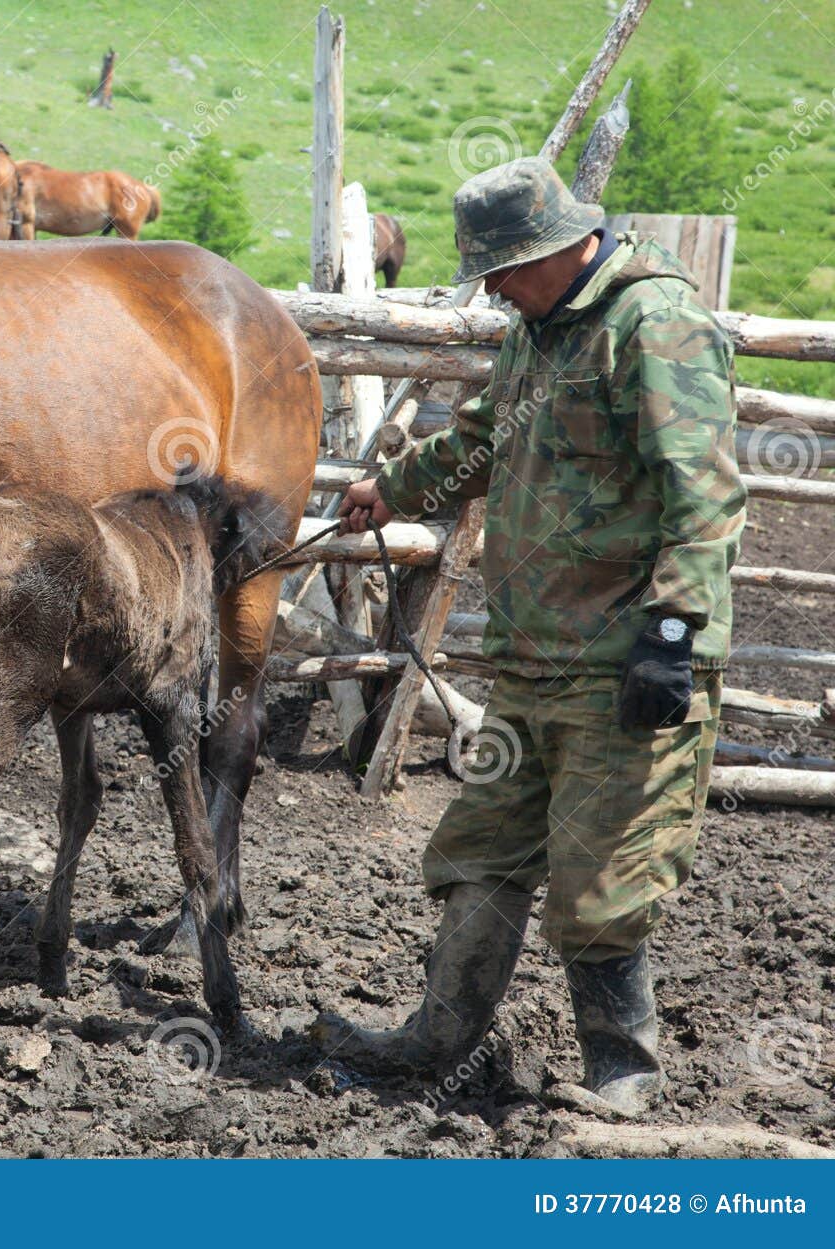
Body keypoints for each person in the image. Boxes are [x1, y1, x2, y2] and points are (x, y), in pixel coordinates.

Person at [311, 156, 747, 1119]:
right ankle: (436, 1041)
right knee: (482, 851)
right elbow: (478, 441)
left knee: (605, 876)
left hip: (623, 663)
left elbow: (705, 496)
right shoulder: (536, 333)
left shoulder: (656, 324)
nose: (495, 288)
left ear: (559, 246)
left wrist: (671, 635)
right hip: (533, 659)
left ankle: (622, 1073)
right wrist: (396, 486)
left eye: (504, 268)